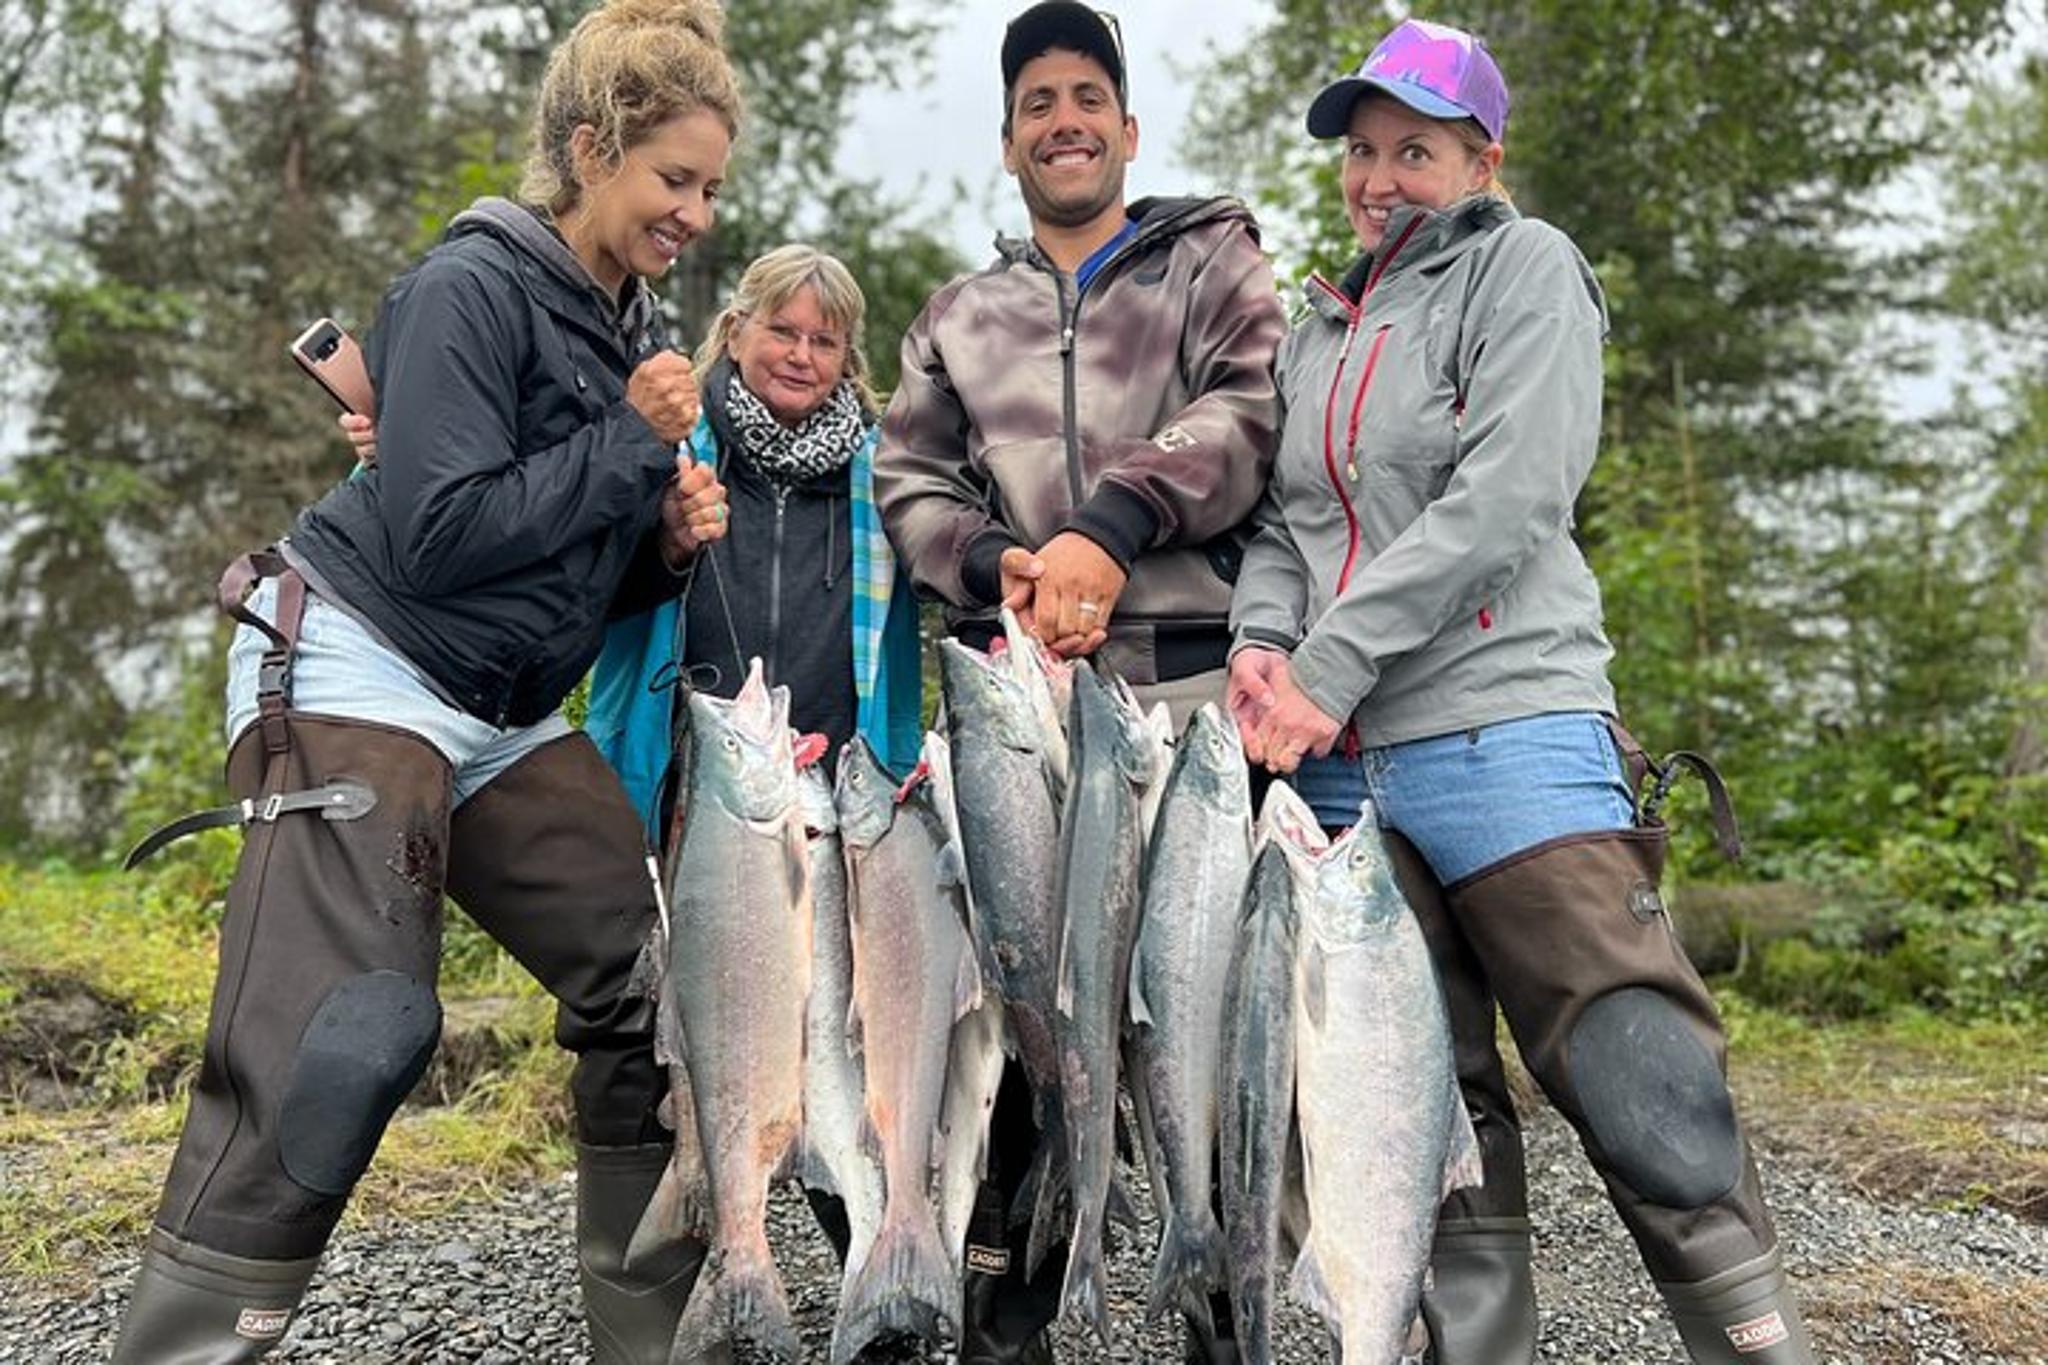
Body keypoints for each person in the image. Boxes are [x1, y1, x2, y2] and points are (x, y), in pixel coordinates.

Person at [109, 2, 738, 1362]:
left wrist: (664, 551)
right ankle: (186, 1343)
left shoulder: (622, 328)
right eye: (672, 178)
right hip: (356, 658)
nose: (693, 211)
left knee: (656, 977)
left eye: (709, 189)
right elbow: (440, 532)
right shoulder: (470, 288)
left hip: (500, 710)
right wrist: (633, 453)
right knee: (353, 1021)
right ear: (590, 149)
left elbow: (560, 573)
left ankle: (654, 1334)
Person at [1226, 18, 1816, 1365]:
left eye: (1414, 150)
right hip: (1335, 767)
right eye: (1362, 153)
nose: (1380, 178)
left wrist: (1324, 665)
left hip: (1511, 736)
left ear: (1486, 156)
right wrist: (1268, 643)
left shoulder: (1528, 269)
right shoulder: (1322, 323)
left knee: (1638, 1076)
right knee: (1415, 1112)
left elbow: (1507, 501)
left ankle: (1759, 1345)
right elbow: (1284, 524)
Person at [874, 5, 1286, 1361]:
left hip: (1185, 706)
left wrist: (1105, 530)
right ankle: (1015, 1299)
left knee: (1201, 1009)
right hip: (1021, 708)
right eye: (1038, 100)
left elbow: (1247, 411)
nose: (1064, 117)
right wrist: (1005, 563)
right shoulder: (957, 319)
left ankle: (1222, 1295)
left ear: (1126, 126)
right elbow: (909, 481)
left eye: (1086, 95)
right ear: (1007, 142)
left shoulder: (1211, 263)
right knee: (1020, 999)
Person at [586, 242, 923, 831]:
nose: (801, 356)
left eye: (824, 342)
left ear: (846, 358)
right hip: (683, 789)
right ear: (736, 333)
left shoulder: (886, 474)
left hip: (836, 797)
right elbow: (590, 570)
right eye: (782, 332)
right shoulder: (672, 449)